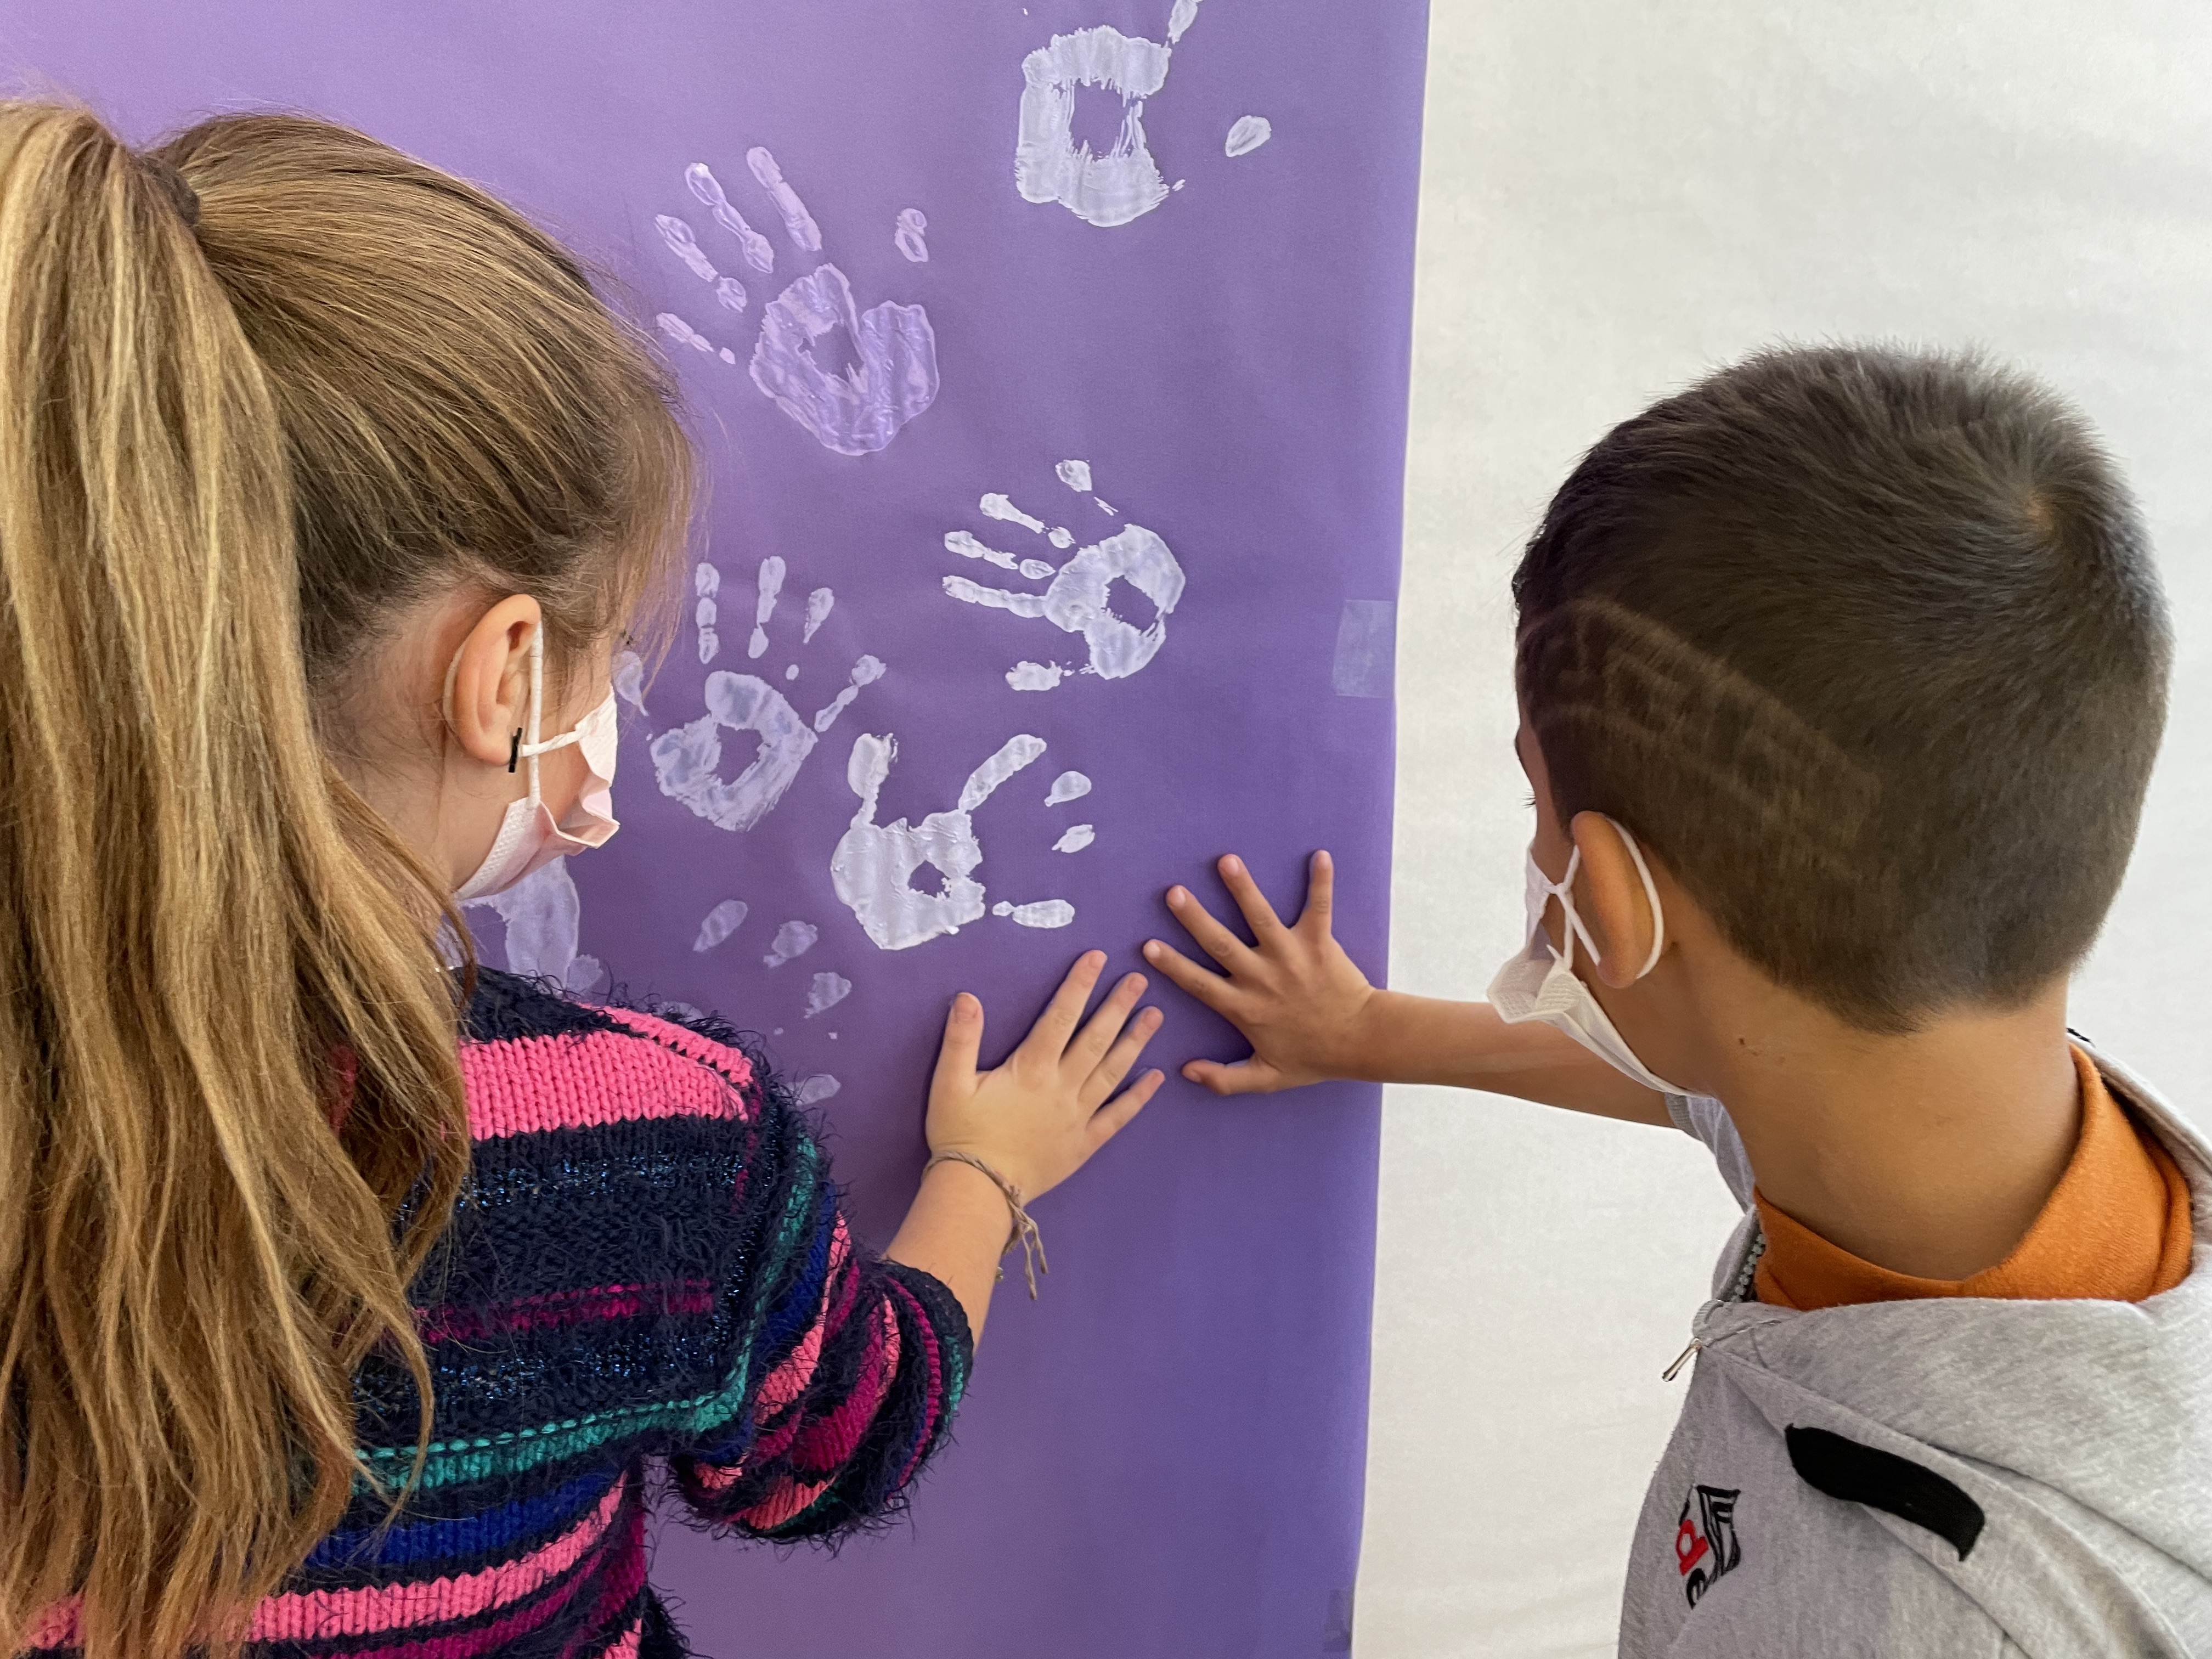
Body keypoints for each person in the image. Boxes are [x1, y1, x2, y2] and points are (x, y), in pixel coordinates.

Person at [0, 101, 1163, 1659]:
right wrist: (987, 1172)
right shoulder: (652, 1144)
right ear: (503, 677)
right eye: (613, 647)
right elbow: (837, 1443)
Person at [1147, 346, 2212, 1655]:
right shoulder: (1964, 1107)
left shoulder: (1914, 1623)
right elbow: (1704, 1076)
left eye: (1536, 802)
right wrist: (1365, 1032)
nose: (1534, 844)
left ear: (1613, 901)